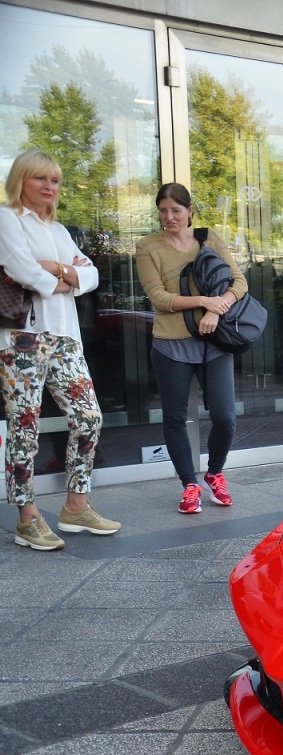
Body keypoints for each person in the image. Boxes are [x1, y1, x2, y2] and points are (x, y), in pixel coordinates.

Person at [0, 149, 121, 550]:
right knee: (24, 427)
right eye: (41, 179)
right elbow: (23, 270)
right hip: (24, 338)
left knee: (89, 417)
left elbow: (92, 273)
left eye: (54, 180)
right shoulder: (7, 219)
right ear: (22, 180)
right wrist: (59, 274)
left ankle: (76, 505)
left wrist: (61, 270)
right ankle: (27, 516)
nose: (50, 187)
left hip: (66, 336)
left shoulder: (59, 230)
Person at [136, 183, 248, 514]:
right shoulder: (147, 246)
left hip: (214, 342)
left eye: (176, 210)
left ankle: (214, 473)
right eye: (163, 211)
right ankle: (189, 484)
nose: (169, 217)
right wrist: (202, 300)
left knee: (225, 416)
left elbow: (239, 282)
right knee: (175, 417)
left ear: (189, 212)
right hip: (171, 343)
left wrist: (216, 309)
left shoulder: (209, 238)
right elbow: (158, 297)